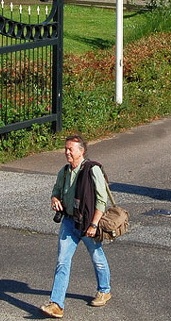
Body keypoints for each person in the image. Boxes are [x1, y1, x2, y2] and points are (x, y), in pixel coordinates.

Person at [41, 135, 111, 318]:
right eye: (66, 148)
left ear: (82, 151)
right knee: (62, 261)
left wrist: (94, 224)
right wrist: (55, 199)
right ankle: (57, 304)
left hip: (88, 223)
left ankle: (104, 290)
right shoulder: (63, 172)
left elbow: (101, 200)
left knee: (97, 257)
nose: (67, 152)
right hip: (69, 222)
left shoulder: (92, 170)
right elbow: (56, 191)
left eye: (71, 149)